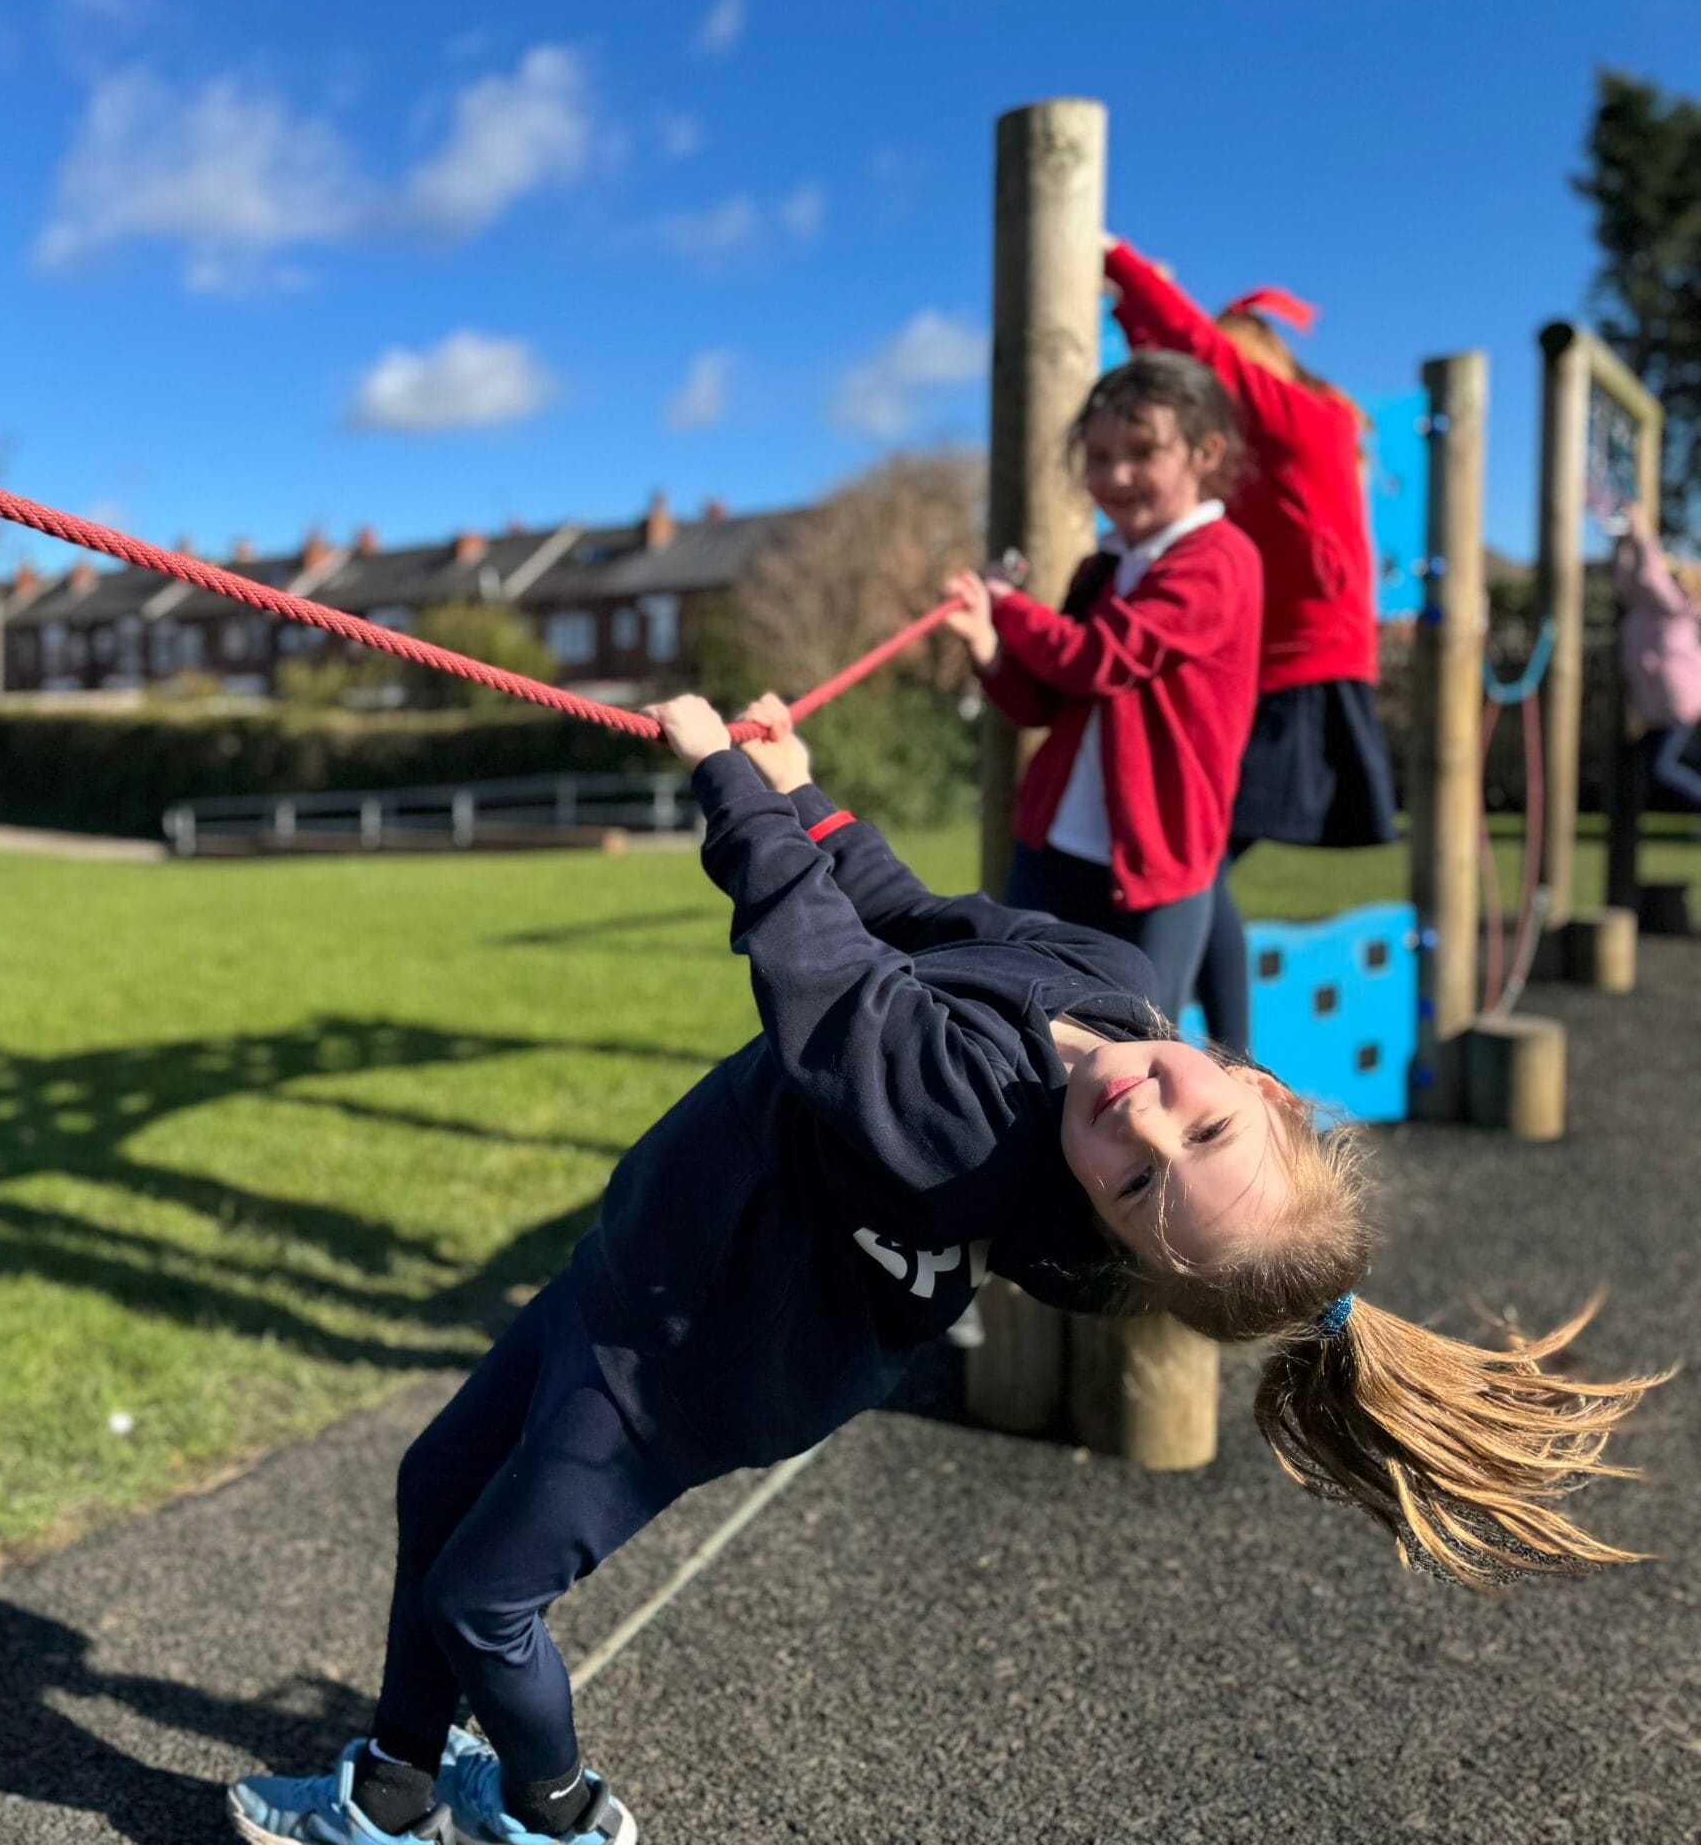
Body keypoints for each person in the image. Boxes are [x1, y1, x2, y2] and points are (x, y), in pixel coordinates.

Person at [226, 695, 1659, 1845]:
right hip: (642, 1264)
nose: (1142, 1123)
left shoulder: (968, 1129)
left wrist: (728, 782)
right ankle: (395, 1788)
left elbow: (825, 969)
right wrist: (806, 790)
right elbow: (913, 918)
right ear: (1262, 1082)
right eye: (1204, 1123)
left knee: (484, 1598)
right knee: (436, 1484)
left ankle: (555, 1811)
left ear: (1104, 1223)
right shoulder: (1117, 993)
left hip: (687, 1359)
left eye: (1139, 1184)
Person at [1102, 237, 1399, 1053]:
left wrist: (1120, 263)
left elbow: (1199, 361)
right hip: (1268, 675)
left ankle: (1186, 1045)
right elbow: (1177, 378)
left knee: (1192, 854)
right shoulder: (1256, 453)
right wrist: (1132, 313)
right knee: (1201, 857)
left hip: (1307, 676)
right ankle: (1227, 1053)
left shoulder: (1307, 421)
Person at [940, 350, 1261, 1021]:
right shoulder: (1104, 567)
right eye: (1098, 457)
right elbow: (1045, 702)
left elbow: (1099, 658)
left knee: (1136, 1037)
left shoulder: (1218, 559)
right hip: (1055, 847)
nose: (1115, 475)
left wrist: (1010, 606)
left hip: (1157, 858)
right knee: (1025, 1022)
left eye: (1142, 453)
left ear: (1205, 453)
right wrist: (989, 646)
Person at [1614, 498, 1701, 824]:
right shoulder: (1648, 607)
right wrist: (1627, 545)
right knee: (1646, 764)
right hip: (1659, 708)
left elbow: (1650, 576)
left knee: (1662, 768)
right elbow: (1628, 582)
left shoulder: (1673, 606)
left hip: (1676, 705)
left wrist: (1643, 533)